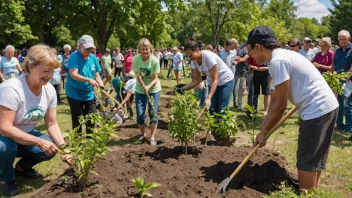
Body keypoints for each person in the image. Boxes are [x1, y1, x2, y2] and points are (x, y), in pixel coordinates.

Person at [247, 26, 338, 192]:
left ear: (258, 47)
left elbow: (281, 106)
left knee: (306, 159)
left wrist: (265, 131)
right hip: (326, 106)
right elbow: (274, 99)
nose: (249, 56)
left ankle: (307, 193)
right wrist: (263, 130)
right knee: (313, 158)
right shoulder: (281, 56)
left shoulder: (278, 61)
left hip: (317, 109)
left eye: (249, 51)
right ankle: (312, 191)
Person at [0, 44, 72, 197]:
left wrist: (64, 148)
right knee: (4, 148)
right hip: (4, 136)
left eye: (52, 71)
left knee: (50, 149)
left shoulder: (49, 89)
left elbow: (52, 123)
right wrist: (39, 141)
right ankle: (6, 179)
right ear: (31, 66)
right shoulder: (12, 88)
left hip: (24, 135)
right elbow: (5, 127)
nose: (49, 75)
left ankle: (21, 169)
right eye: (45, 71)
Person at [175, 39, 234, 116]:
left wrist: (209, 97)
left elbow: (215, 79)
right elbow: (196, 80)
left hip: (225, 80)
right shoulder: (194, 61)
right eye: (187, 57)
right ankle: (213, 128)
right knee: (212, 110)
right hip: (213, 82)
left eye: (191, 55)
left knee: (222, 109)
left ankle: (223, 126)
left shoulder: (208, 57)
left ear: (197, 50)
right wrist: (183, 88)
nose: (190, 58)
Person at [65, 35, 104, 134]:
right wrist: (89, 80)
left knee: (91, 119)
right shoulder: (74, 56)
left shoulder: (93, 58)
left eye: (91, 49)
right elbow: (73, 74)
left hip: (88, 93)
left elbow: (97, 75)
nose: (88, 51)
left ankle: (90, 142)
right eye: (86, 48)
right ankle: (78, 144)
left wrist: (101, 86)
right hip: (74, 92)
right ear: (80, 46)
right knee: (78, 119)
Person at [132, 38, 161, 146]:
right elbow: (138, 75)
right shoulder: (136, 59)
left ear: (150, 49)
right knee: (140, 113)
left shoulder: (154, 60)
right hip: (140, 90)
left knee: (153, 113)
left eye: (147, 49)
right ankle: (143, 134)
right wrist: (143, 85)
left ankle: (152, 137)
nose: (145, 51)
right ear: (140, 49)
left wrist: (148, 86)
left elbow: (155, 78)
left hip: (153, 90)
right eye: (142, 49)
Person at [332, 30, 352, 135]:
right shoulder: (338, 51)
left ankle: (349, 128)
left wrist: (348, 74)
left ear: (349, 38)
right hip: (338, 80)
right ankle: (340, 124)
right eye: (339, 39)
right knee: (338, 103)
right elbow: (334, 65)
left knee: (348, 105)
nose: (341, 41)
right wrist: (332, 75)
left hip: (349, 81)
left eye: (343, 39)